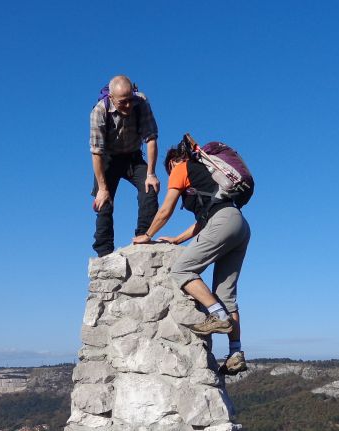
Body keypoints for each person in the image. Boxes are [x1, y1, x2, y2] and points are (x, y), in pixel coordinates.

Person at [132, 142, 250, 375]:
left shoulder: (181, 167)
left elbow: (166, 209)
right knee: (227, 295)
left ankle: (217, 316)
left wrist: (147, 234)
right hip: (239, 225)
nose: (170, 176)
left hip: (223, 221)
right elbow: (204, 220)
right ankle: (236, 353)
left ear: (172, 162)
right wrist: (177, 239)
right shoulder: (207, 175)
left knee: (181, 269)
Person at [89, 75, 159, 257]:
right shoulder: (99, 111)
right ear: (111, 98)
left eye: (130, 100)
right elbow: (96, 152)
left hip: (133, 157)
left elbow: (151, 138)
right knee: (104, 201)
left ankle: (142, 237)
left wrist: (151, 173)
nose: (128, 106)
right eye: (123, 102)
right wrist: (102, 188)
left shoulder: (141, 101)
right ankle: (104, 253)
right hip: (108, 159)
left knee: (149, 190)